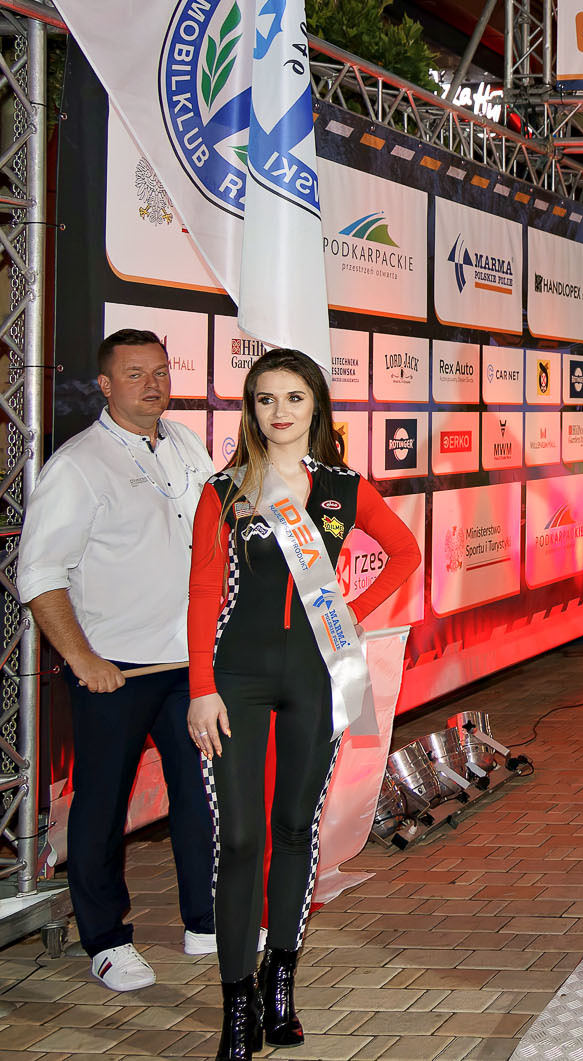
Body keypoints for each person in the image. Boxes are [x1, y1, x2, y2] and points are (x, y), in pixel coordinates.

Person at [187, 349, 421, 1060]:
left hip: (319, 676)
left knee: (295, 829)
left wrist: (352, 613)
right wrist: (200, 687)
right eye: (265, 399)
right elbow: (203, 594)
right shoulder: (225, 490)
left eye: (293, 397)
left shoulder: (344, 488)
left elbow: (406, 553)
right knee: (239, 839)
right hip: (236, 679)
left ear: (316, 404)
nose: (279, 411)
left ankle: (280, 980)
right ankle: (237, 1003)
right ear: (250, 409)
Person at [17, 330, 219, 992]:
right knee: (102, 806)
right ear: (105, 385)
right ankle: (106, 940)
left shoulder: (185, 442)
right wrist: (81, 657)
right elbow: (39, 572)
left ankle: (205, 920)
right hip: (116, 671)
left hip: (189, 665)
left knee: (202, 796)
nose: (152, 385)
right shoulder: (78, 464)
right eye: (135, 374)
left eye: (160, 371)